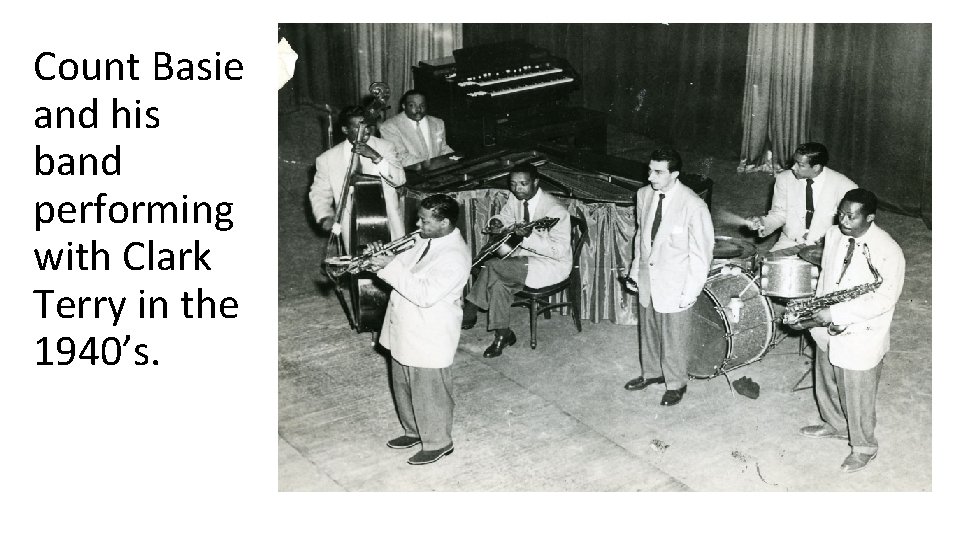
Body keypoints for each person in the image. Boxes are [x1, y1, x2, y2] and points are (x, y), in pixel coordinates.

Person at [788, 188, 904, 473]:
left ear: (871, 217)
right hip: (827, 322)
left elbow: (884, 299)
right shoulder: (833, 235)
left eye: (851, 216)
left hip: (861, 330)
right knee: (826, 377)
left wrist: (836, 313)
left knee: (858, 393)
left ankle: (864, 446)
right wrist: (814, 311)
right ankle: (836, 424)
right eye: (841, 213)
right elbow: (827, 276)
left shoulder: (889, 251)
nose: (844, 220)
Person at [364, 194, 471, 465]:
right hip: (404, 326)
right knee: (403, 384)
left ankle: (438, 442)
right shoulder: (425, 239)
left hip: (428, 334)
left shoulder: (455, 256)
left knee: (429, 390)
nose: (417, 223)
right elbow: (403, 268)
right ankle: (414, 430)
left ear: (444, 222)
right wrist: (382, 258)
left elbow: (424, 294)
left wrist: (390, 266)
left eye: (424, 220)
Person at [624, 148, 714, 406]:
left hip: (676, 282)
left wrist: (691, 292)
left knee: (674, 337)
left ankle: (676, 383)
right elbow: (641, 238)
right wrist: (634, 273)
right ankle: (651, 373)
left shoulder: (693, 205)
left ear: (675, 174)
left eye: (658, 172)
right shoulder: (643, 195)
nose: (651, 177)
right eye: (649, 170)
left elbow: (702, 254)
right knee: (648, 329)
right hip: (647, 277)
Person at [462, 163, 572, 358]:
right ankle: (502, 334)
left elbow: (559, 251)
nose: (517, 189)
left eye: (523, 184)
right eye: (513, 184)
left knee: (491, 266)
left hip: (550, 265)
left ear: (536, 182)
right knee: (497, 281)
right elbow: (505, 216)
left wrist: (527, 238)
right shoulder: (516, 198)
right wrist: (497, 222)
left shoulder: (555, 211)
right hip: (520, 258)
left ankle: (470, 308)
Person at [309, 106, 407, 250]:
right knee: (359, 267)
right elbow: (320, 192)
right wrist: (325, 216)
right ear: (345, 130)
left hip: (387, 220)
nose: (366, 131)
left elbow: (399, 180)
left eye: (367, 126)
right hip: (352, 224)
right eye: (358, 127)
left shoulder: (385, 147)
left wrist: (376, 157)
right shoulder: (327, 159)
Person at [747, 142, 857, 253]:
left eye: (800, 164)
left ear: (816, 167)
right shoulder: (784, 179)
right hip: (791, 241)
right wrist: (763, 222)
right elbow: (779, 213)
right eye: (795, 162)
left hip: (826, 245)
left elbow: (854, 224)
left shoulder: (845, 186)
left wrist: (831, 239)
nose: (793, 167)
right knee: (767, 267)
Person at [379, 89, 455, 167]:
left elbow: (442, 148)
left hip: (436, 174)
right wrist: (430, 165)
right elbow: (400, 156)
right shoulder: (389, 126)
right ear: (404, 106)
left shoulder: (437, 123)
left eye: (422, 105)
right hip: (410, 175)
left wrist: (455, 158)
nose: (418, 109)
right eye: (412, 105)